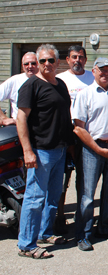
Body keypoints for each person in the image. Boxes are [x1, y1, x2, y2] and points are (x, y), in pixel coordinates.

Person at [17, 44, 73, 259]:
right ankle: (26, 245)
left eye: (50, 60)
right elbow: (22, 118)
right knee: (35, 197)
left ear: (58, 62)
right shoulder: (31, 85)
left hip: (59, 150)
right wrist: (28, 151)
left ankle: (44, 233)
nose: (46, 64)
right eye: (42, 61)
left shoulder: (60, 84)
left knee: (52, 196)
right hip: (41, 151)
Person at [72, 57, 108, 251]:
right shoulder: (85, 94)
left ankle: (105, 227)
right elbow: (79, 128)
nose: (105, 73)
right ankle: (84, 234)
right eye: (101, 70)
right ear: (94, 71)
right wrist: (97, 149)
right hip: (92, 149)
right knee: (87, 194)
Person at [55, 45, 94, 233]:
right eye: (74, 57)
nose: (77, 60)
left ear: (85, 60)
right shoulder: (60, 79)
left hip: (86, 134)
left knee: (85, 178)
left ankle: (83, 216)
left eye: (81, 57)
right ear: (67, 60)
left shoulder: (92, 79)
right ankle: (60, 215)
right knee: (63, 178)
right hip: (65, 134)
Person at [0, 52, 39, 125]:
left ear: (38, 64)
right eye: (26, 64)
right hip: (19, 127)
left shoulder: (45, 81)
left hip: (40, 128)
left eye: (33, 63)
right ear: (22, 66)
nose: (30, 66)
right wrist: (3, 118)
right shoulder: (15, 80)